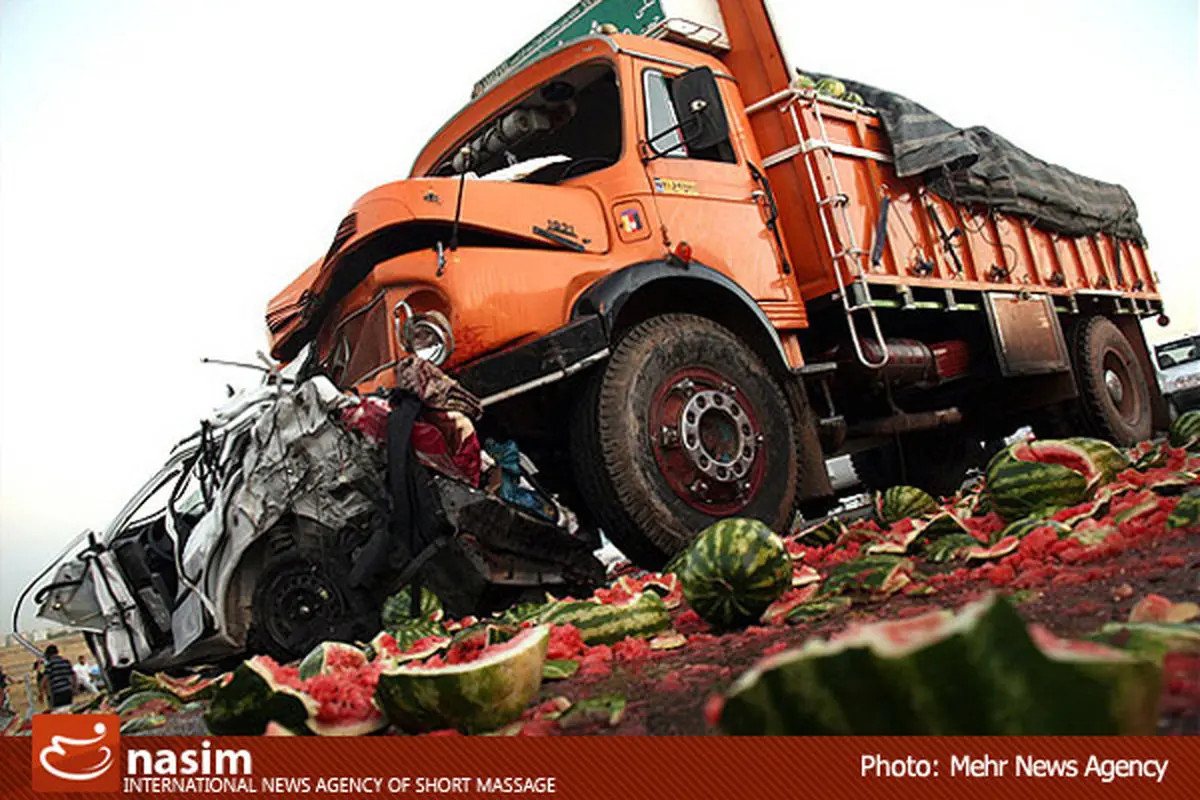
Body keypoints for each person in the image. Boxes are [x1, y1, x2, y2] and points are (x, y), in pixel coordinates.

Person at [41, 645, 77, 711]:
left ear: (49, 654)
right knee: (68, 710)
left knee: (59, 711)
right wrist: (74, 688)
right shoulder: (66, 662)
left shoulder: (50, 664)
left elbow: (44, 679)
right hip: (68, 691)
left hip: (58, 692)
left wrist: (41, 693)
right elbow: (74, 675)